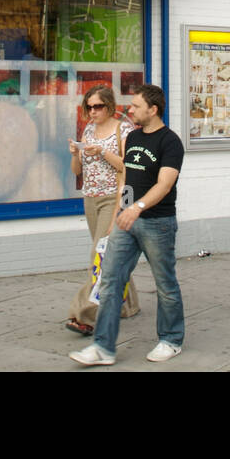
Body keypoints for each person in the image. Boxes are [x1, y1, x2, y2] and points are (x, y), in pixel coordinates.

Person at [70, 85, 185, 366]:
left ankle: (171, 339)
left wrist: (138, 207)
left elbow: (165, 183)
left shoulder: (170, 142)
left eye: (135, 106)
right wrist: (119, 212)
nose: (129, 110)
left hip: (157, 223)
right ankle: (103, 347)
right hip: (125, 221)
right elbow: (126, 178)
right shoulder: (132, 137)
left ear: (153, 110)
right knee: (109, 281)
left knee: (165, 284)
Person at [65, 85, 139, 336]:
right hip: (91, 198)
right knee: (110, 254)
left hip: (113, 198)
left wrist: (104, 152)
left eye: (98, 106)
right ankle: (128, 304)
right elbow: (78, 171)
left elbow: (127, 166)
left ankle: (83, 314)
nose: (92, 111)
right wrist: (75, 153)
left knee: (98, 258)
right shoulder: (88, 129)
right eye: (89, 106)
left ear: (110, 107)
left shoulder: (123, 129)